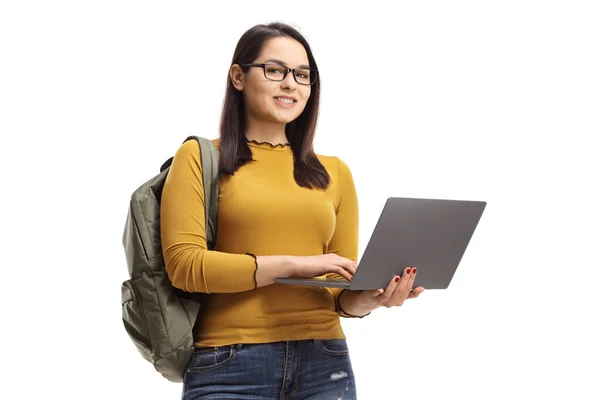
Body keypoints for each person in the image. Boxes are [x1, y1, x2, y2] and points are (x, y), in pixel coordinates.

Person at [160, 22, 425, 400]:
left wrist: (373, 298)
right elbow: (185, 267)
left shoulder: (334, 171)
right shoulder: (202, 158)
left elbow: (339, 291)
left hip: (325, 361)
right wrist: (298, 265)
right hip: (228, 364)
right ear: (238, 76)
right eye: (275, 70)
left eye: (303, 75)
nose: (291, 84)